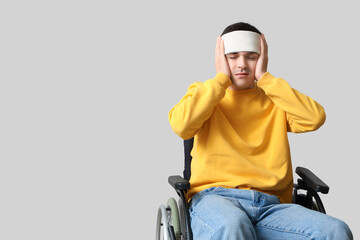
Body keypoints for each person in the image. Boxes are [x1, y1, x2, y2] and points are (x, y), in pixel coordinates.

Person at [168, 22, 353, 239]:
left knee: (335, 231)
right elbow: (181, 126)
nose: (242, 64)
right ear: (220, 58)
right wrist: (220, 79)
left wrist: (265, 77)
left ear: (262, 57)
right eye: (233, 56)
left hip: (271, 207)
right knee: (233, 224)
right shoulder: (205, 93)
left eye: (251, 56)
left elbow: (315, 118)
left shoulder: (275, 99)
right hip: (215, 199)